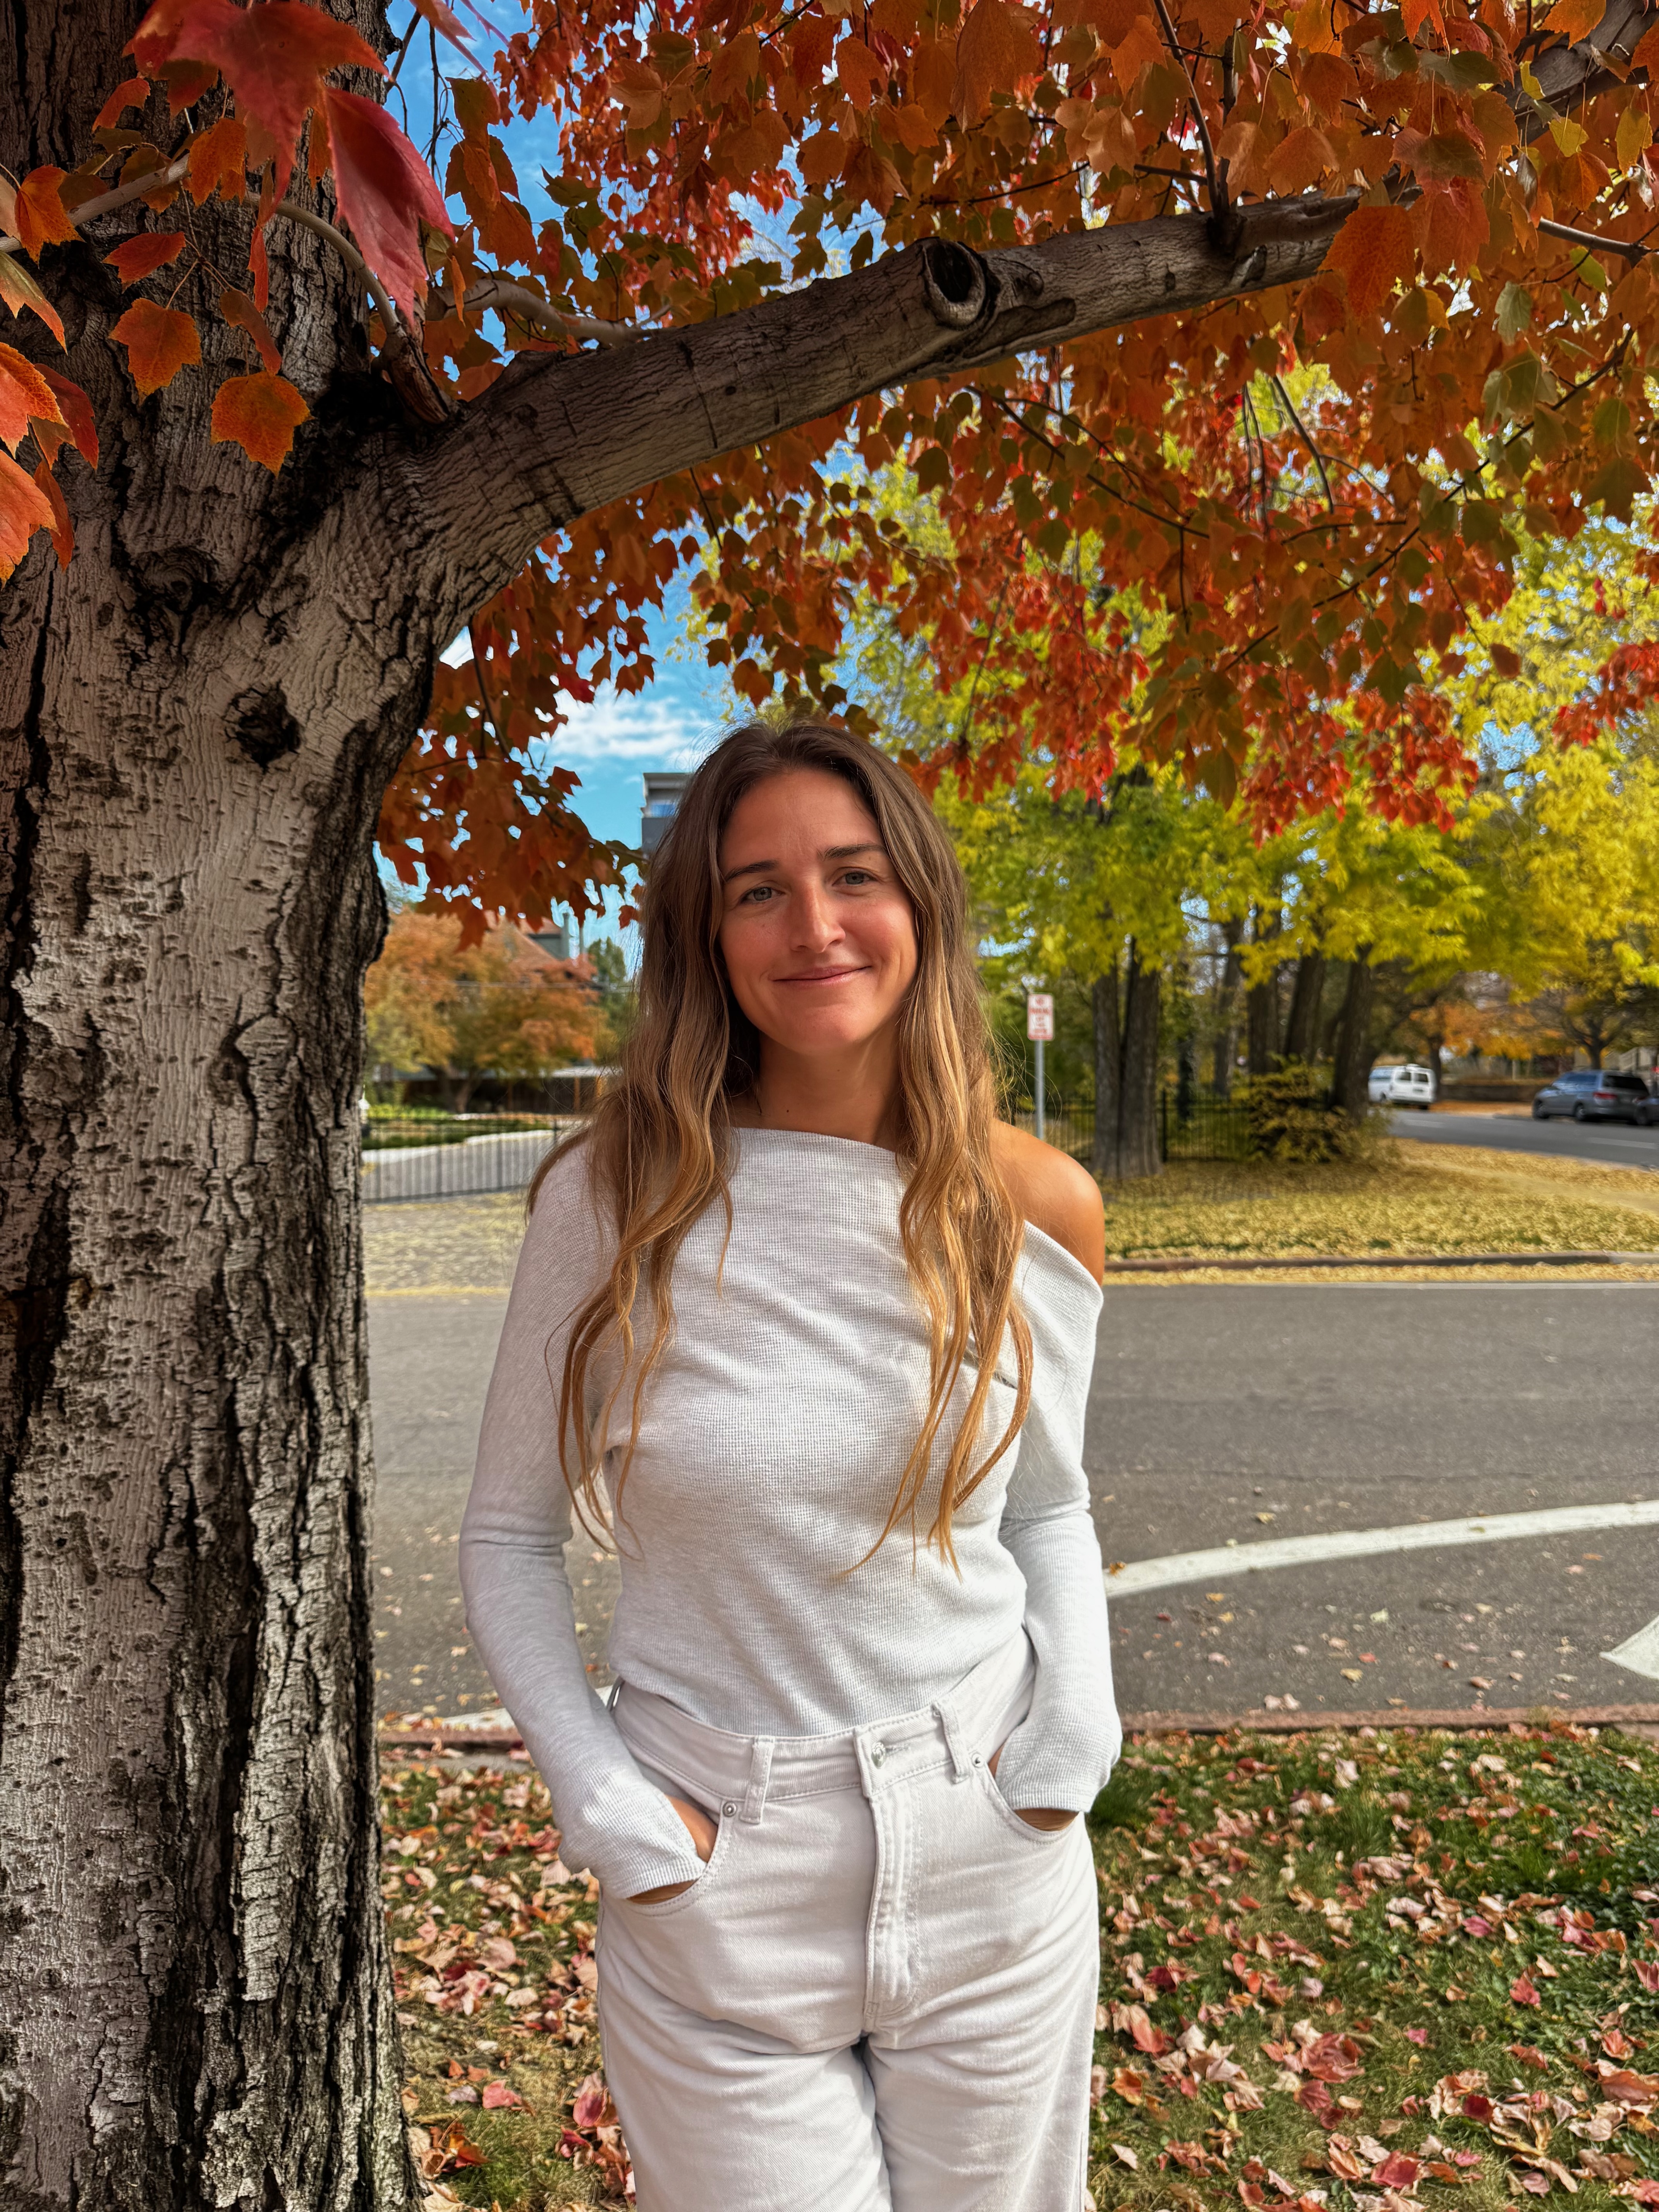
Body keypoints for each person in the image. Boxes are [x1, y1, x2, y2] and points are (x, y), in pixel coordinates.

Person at [459, 720, 1120, 2211]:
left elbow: (1053, 1504)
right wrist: (612, 1811)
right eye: (757, 889)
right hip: (719, 1873)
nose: (813, 926)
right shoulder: (612, 1196)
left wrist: (1069, 1739)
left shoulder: (1037, 1204)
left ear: (921, 903)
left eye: (851, 874)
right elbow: (506, 1536)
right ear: (706, 934)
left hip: (990, 1850)